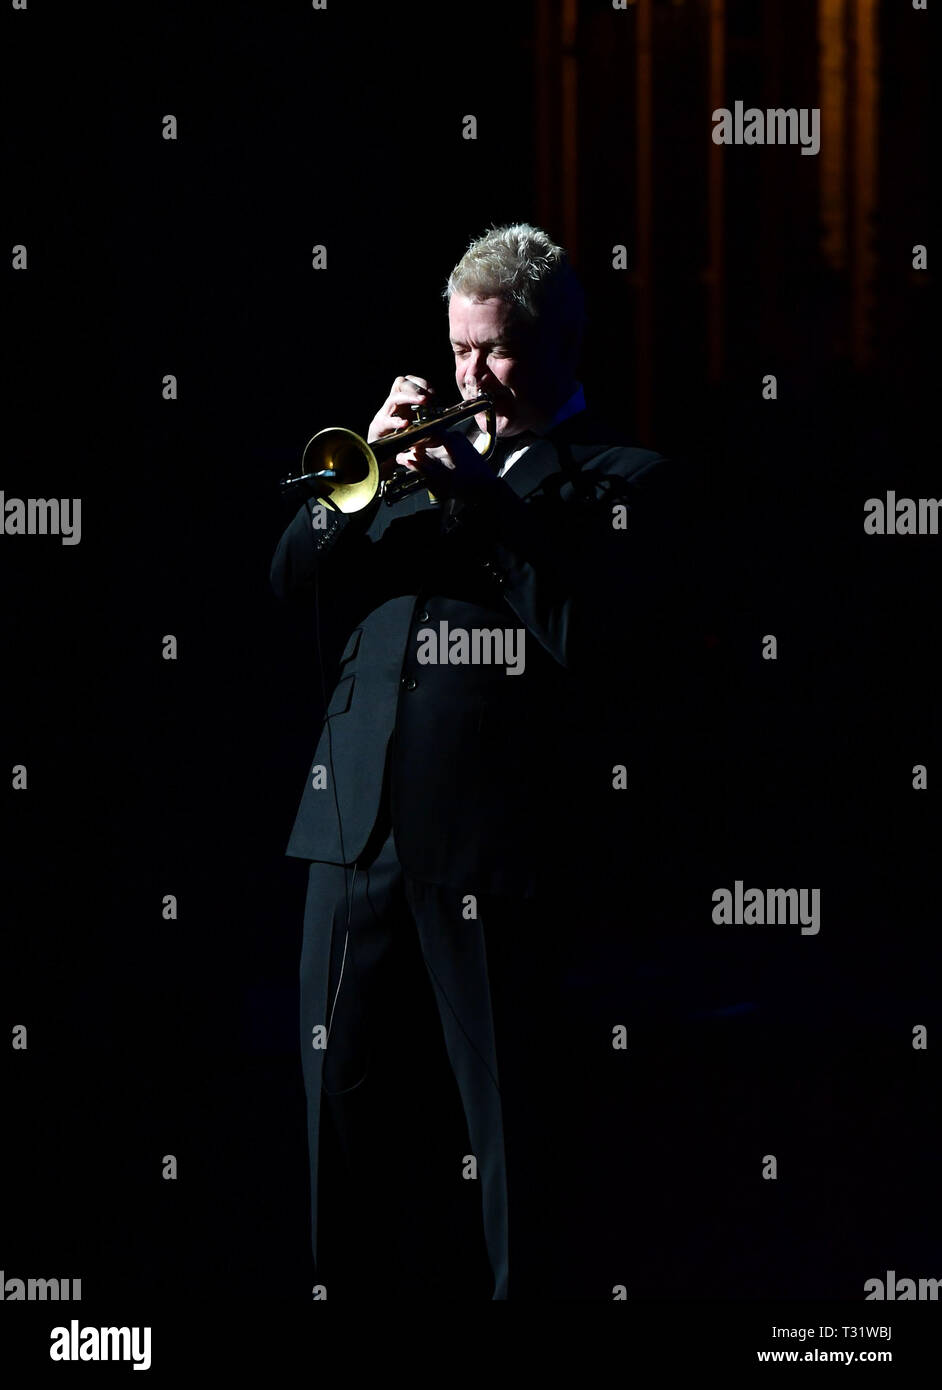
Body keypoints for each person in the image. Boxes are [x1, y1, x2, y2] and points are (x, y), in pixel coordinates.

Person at [270, 222, 701, 1299]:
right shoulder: (402, 480)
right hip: (350, 830)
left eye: (498, 351)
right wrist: (358, 479)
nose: (471, 377)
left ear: (562, 345)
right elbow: (287, 586)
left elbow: (592, 638)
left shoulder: (619, 477)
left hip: (492, 853)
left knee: (513, 1139)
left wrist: (485, 497)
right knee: (339, 1124)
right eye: (459, 350)